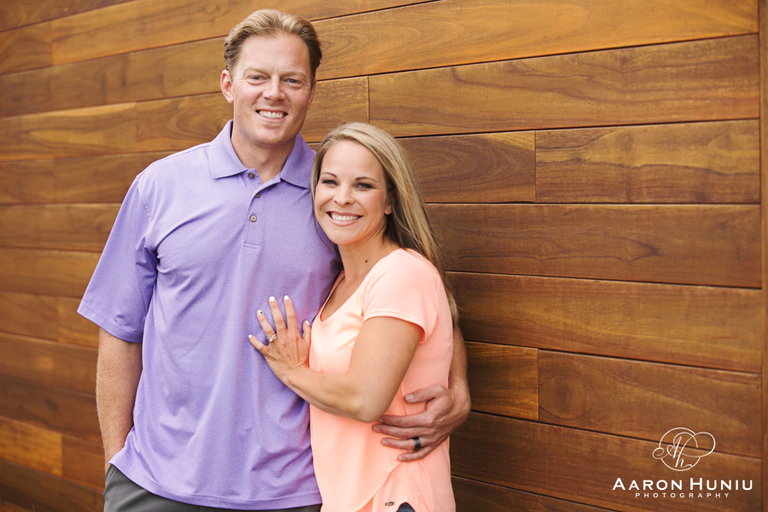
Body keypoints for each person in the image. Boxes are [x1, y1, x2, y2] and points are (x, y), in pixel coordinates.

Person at [77, 9, 470, 512]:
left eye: (292, 80)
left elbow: (415, 297)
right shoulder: (160, 186)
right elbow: (118, 327)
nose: (273, 93)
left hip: (293, 492)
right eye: (257, 77)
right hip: (155, 483)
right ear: (228, 84)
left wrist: (457, 386)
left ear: (310, 91)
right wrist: (118, 461)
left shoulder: (333, 197)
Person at [251, 123, 457, 512]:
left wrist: (292, 371)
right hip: (347, 499)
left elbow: (366, 399)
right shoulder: (344, 280)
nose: (342, 198)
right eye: (330, 182)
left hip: (395, 495)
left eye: (363, 186)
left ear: (391, 200)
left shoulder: (400, 274)